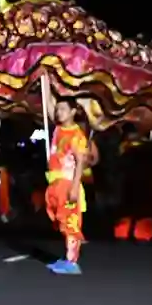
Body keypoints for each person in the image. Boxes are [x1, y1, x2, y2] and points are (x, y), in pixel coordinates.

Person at [46, 98, 94, 274]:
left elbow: (81, 162)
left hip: (67, 183)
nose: (59, 112)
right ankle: (67, 257)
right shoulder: (58, 130)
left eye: (63, 109)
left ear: (73, 111)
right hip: (55, 183)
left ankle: (72, 262)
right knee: (60, 221)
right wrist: (45, 78)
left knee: (70, 222)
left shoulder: (76, 135)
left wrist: (74, 188)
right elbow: (49, 105)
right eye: (58, 109)